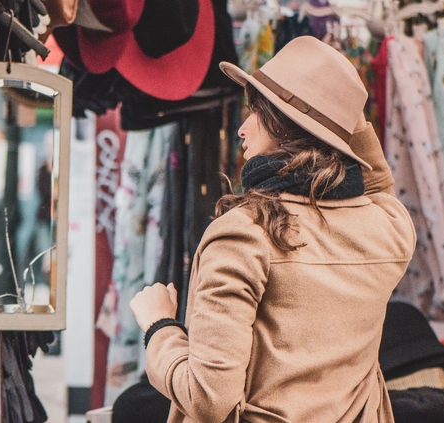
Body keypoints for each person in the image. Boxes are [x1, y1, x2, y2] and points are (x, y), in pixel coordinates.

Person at [129, 36, 416, 423]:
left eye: (256, 112)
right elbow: (379, 185)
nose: (241, 129)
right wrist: (346, 119)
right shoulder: (388, 229)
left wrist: (159, 327)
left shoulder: (243, 236)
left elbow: (209, 399)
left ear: (285, 125)